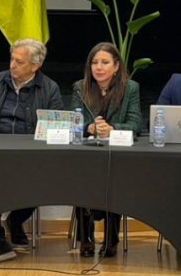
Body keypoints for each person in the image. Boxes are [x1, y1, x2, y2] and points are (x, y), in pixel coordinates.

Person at [0, 38, 64, 265]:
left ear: (35, 66)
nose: (12, 65)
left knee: (46, 181)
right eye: (12, 59)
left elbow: (59, 127)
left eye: (19, 62)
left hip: (31, 157)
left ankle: (15, 219)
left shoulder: (50, 88)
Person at [72, 42, 142, 258]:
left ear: (116, 66)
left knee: (114, 181)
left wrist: (112, 129)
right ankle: (86, 239)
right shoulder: (80, 87)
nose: (99, 67)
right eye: (94, 63)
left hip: (116, 155)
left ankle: (111, 240)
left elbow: (136, 125)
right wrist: (89, 127)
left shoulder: (130, 88)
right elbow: (73, 123)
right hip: (88, 155)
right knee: (82, 179)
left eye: (104, 62)